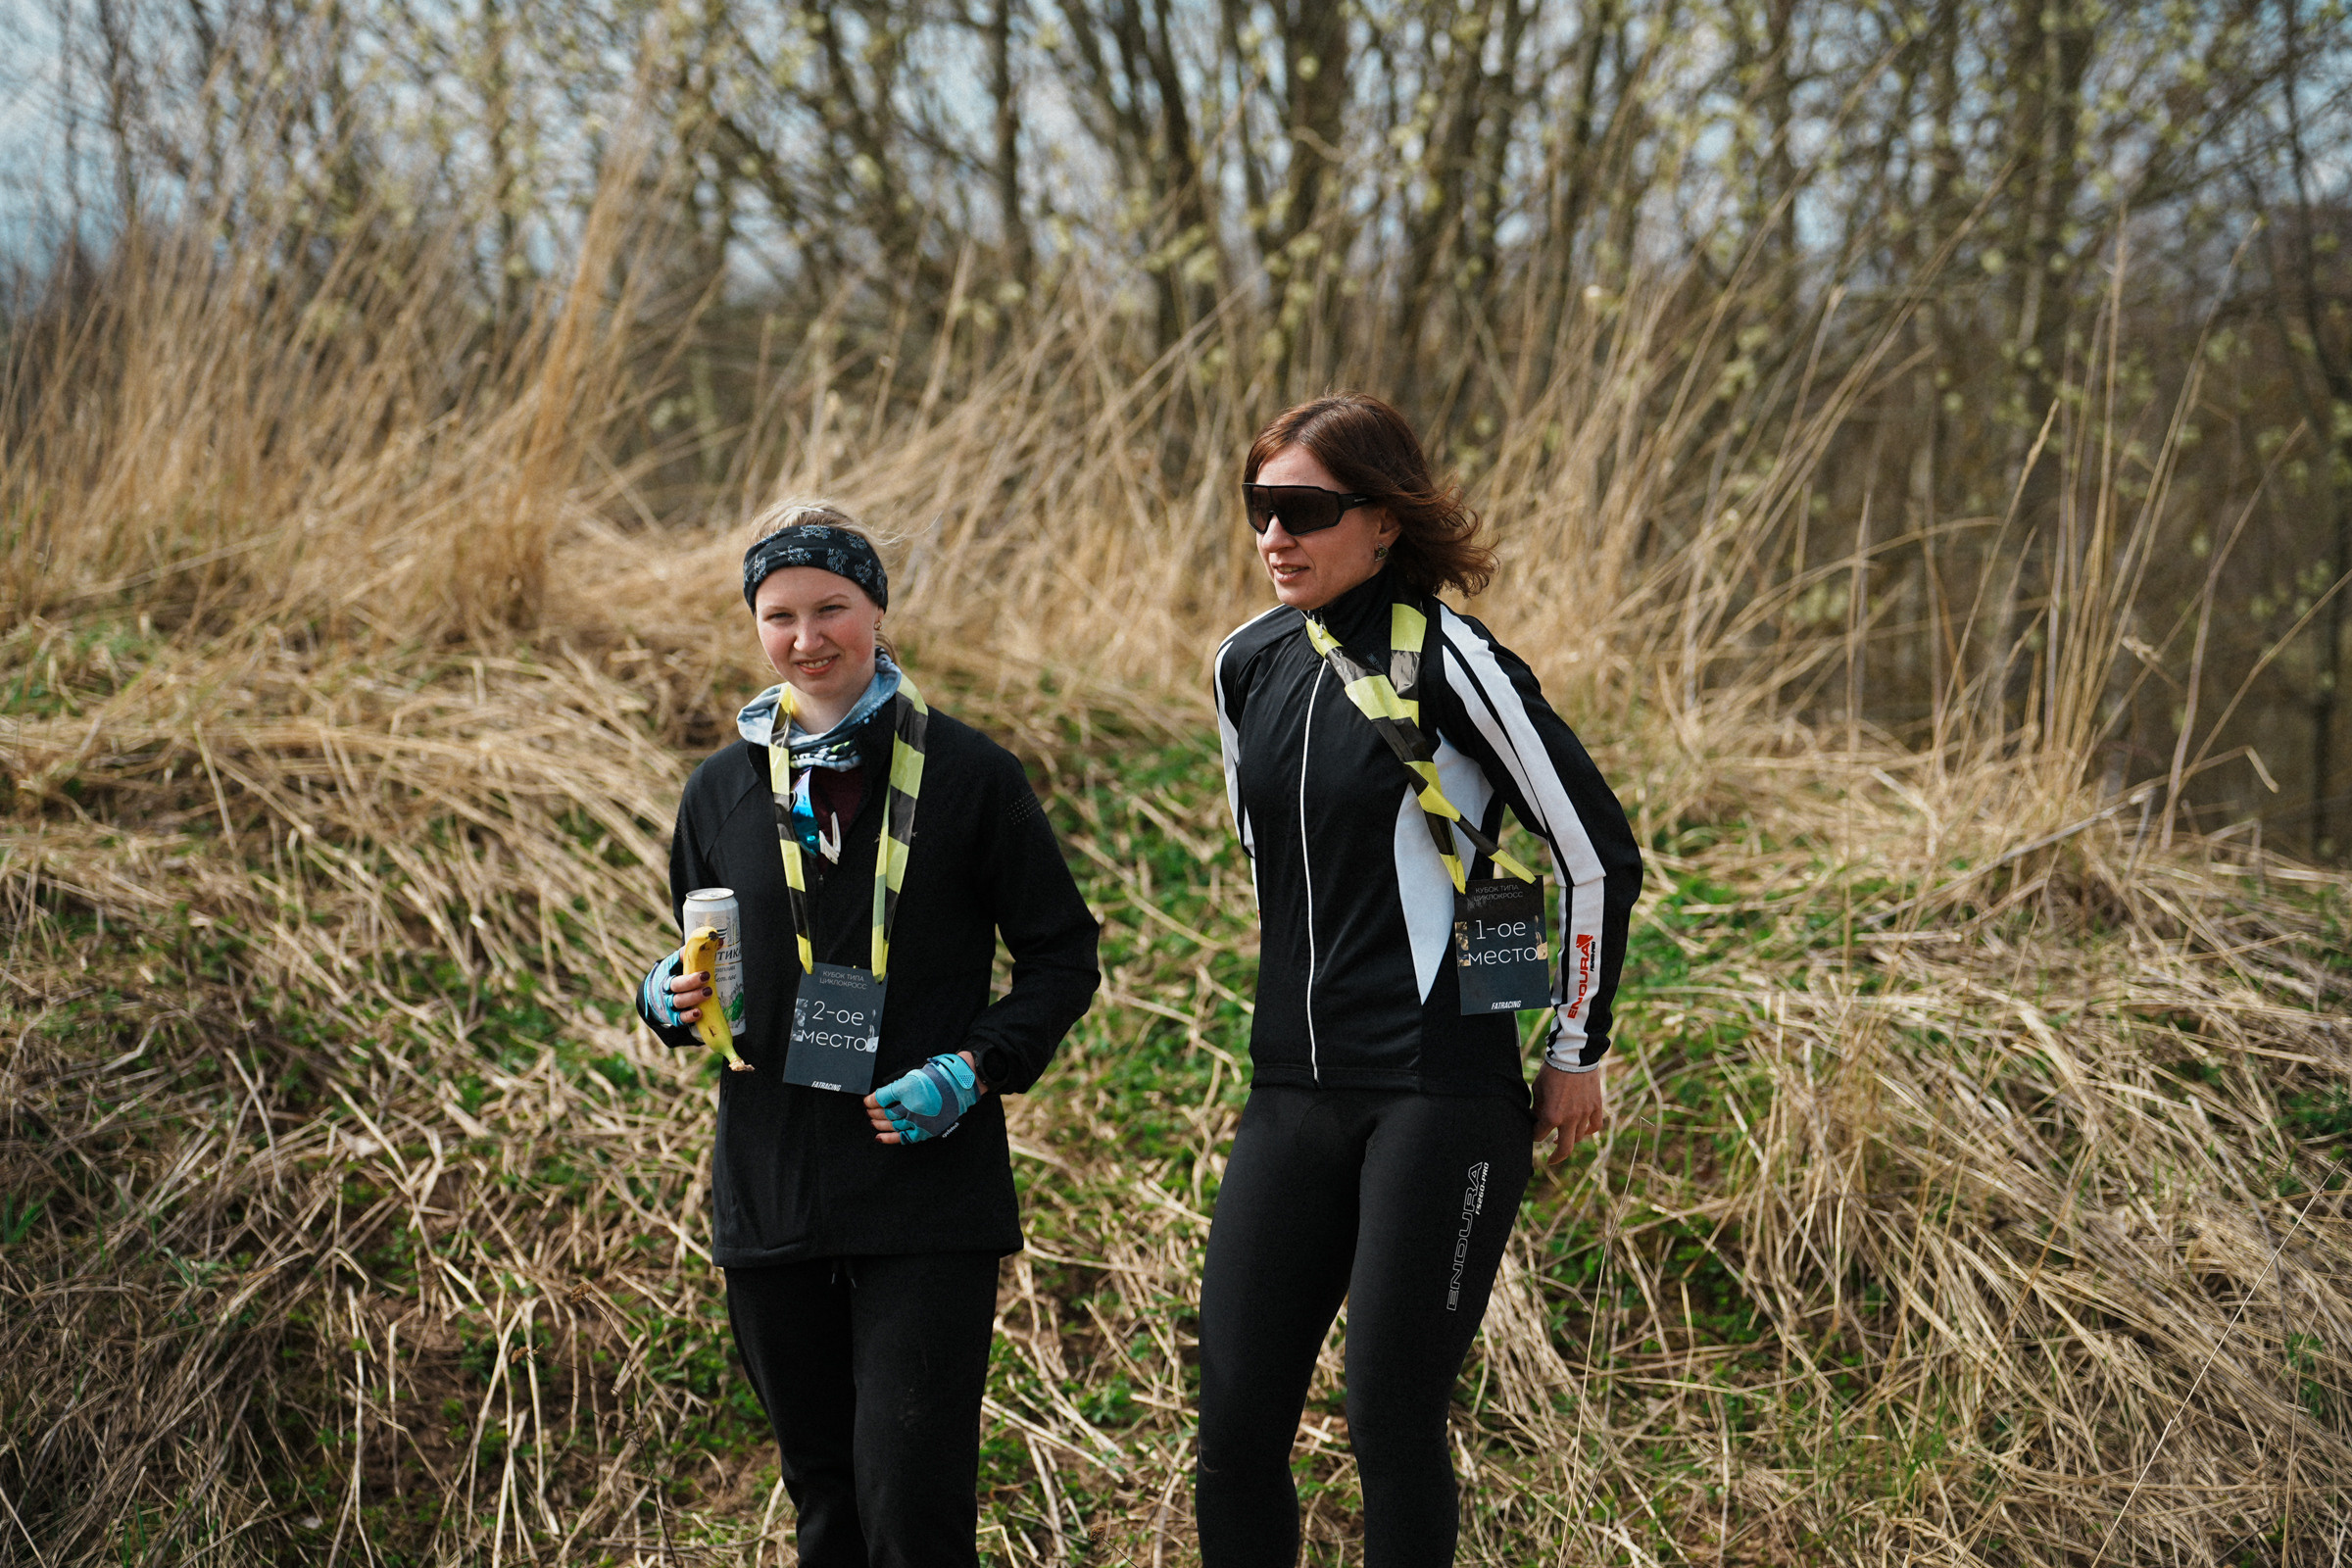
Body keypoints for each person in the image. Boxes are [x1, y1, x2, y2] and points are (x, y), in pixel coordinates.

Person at [1196, 394, 1643, 1566]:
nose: (1274, 537)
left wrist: (1574, 1050)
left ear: (1385, 523)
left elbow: (1595, 856)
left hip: (1437, 1093)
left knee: (1386, 1420)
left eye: (1302, 510)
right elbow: (1267, 860)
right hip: (1289, 1091)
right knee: (1236, 1427)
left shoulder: (1458, 661)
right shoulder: (1245, 663)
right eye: (1258, 510)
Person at [634, 501, 1100, 1567]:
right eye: (779, 614)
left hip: (923, 1194)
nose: (807, 638)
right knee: (827, 1505)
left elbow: (1064, 958)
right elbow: (710, 972)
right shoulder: (719, 789)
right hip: (773, 1192)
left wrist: (974, 1069)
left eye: (831, 607)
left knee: (912, 1507)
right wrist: (665, 1000)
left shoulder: (969, 774)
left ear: (879, 610)